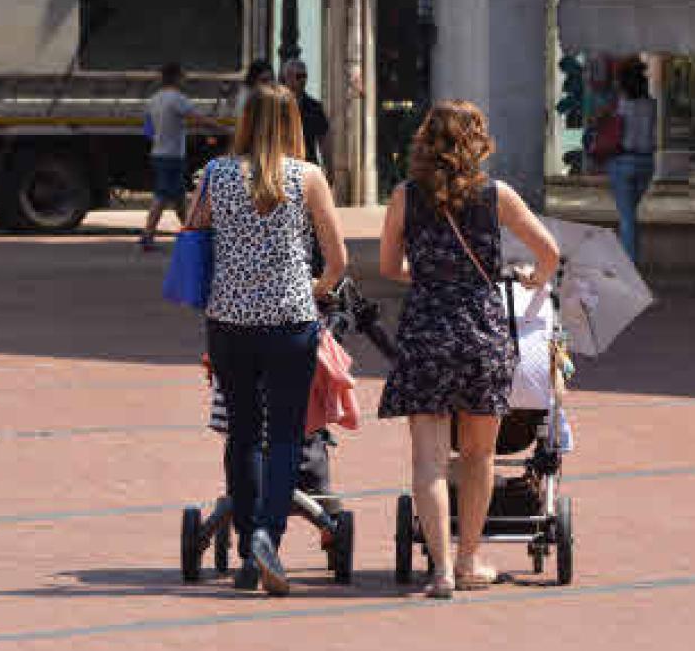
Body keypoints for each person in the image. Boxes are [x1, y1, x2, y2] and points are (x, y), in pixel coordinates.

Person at [378, 100, 560, 599]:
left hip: (426, 332)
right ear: (477, 143)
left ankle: (438, 570)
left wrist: (433, 276)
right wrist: (531, 277)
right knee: (479, 456)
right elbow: (549, 253)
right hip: (482, 331)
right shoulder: (496, 195)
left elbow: (390, 267)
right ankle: (468, 560)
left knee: (429, 460)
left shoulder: (404, 196)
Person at [198, 83, 347, 596]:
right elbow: (338, 260)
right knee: (285, 434)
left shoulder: (216, 174)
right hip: (289, 321)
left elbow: (194, 234)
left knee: (241, 433)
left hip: (230, 322)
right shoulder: (307, 177)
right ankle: (268, 535)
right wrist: (316, 288)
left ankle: (245, 552)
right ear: (292, 124)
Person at [139, 62, 227, 251]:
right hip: (172, 155)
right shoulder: (178, 99)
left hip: (158, 152)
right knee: (162, 195)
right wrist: (221, 129)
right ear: (176, 77)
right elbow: (198, 118)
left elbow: (147, 129)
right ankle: (148, 234)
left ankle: (190, 232)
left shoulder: (154, 99)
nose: (185, 80)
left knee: (179, 196)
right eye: (182, 77)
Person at [607, 61, 657, 263]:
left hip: (622, 161)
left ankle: (629, 263)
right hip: (646, 162)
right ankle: (628, 256)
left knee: (627, 218)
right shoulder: (651, 104)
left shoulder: (621, 104)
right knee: (630, 216)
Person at [282, 59, 330, 169]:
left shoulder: (315, 107)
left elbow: (324, 141)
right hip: (283, 165)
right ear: (288, 78)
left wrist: (328, 169)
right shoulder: (276, 106)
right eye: (299, 76)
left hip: (307, 165)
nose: (303, 80)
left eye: (305, 76)